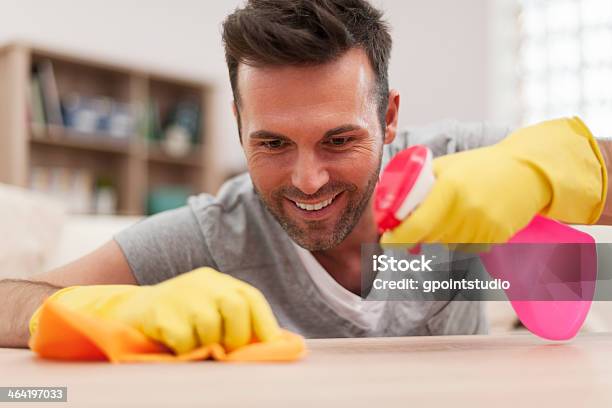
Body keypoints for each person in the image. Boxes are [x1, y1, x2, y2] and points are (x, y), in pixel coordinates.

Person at [1, 0, 610, 353]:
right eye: (271, 143)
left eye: (340, 139)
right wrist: (109, 311)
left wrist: (553, 171)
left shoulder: (462, 161)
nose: (308, 179)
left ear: (389, 116)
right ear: (238, 125)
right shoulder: (214, 236)